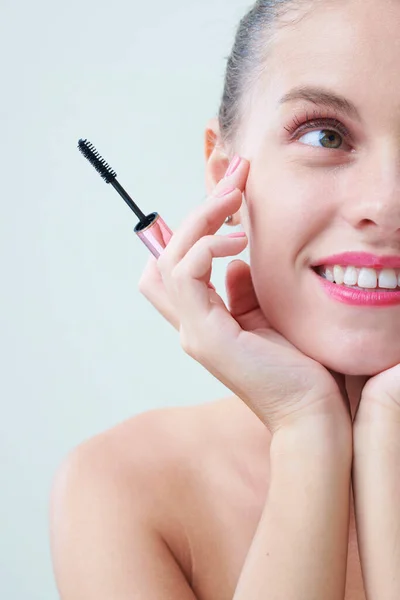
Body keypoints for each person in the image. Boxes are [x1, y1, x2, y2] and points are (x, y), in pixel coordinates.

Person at [49, 0, 400, 598]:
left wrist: (387, 435)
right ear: (225, 178)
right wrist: (305, 429)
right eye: (326, 134)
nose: (387, 204)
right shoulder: (124, 489)